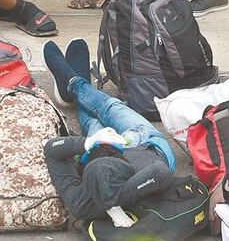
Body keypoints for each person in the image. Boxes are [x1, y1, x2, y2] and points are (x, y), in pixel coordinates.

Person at [42, 38, 174, 226]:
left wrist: (88, 143)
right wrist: (113, 205)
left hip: (102, 147)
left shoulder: (82, 203)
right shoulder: (139, 174)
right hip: (143, 140)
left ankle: (72, 83)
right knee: (108, 106)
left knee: (90, 120)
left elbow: (51, 149)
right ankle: (74, 83)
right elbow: (162, 172)